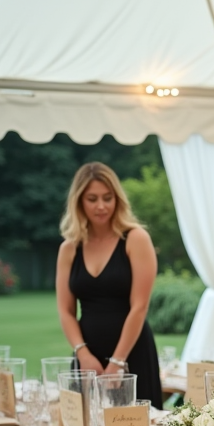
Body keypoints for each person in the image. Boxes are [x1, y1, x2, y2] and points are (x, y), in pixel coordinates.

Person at [56, 162, 164, 408]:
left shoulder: (136, 239)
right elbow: (65, 310)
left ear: (118, 199)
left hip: (132, 352)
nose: (101, 206)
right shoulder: (69, 248)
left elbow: (140, 306)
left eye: (108, 198)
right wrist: (82, 354)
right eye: (92, 199)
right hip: (86, 356)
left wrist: (117, 362)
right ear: (79, 201)